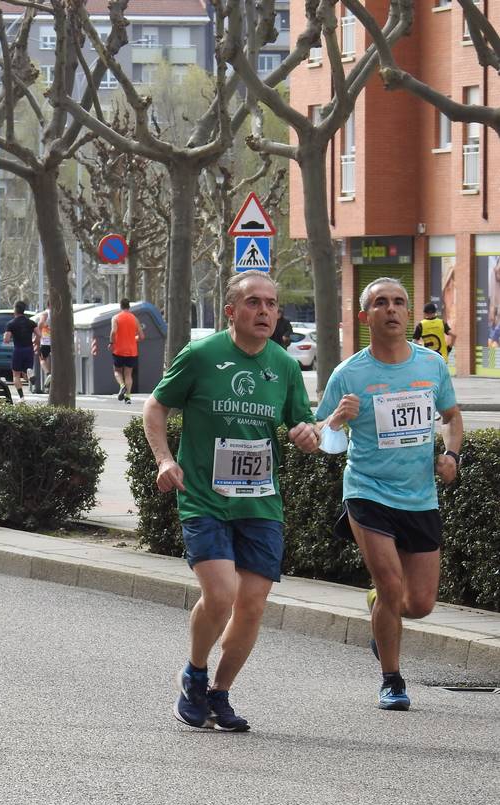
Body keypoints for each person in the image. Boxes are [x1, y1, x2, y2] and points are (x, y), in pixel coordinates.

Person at [142, 272, 320, 731]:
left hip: (261, 502)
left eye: (272, 304)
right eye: (254, 303)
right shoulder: (202, 356)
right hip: (204, 496)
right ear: (231, 311)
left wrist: (308, 434)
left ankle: (219, 693)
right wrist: (164, 460)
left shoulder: (283, 364)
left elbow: (305, 428)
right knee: (221, 594)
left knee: (253, 604)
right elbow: (156, 406)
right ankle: (195, 673)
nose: (264, 312)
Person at [316, 278, 461, 712]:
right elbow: (321, 436)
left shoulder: (432, 365)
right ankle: (392, 681)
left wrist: (452, 455)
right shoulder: (349, 374)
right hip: (367, 491)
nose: (392, 310)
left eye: (399, 302)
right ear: (366, 317)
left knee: (419, 604)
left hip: (420, 496)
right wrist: (337, 420)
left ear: (409, 314)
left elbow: (452, 417)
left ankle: (379, 607)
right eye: (381, 303)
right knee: (390, 581)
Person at [110, 299, 145, 403]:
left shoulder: (116, 318)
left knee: (117, 371)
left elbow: (113, 332)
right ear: (129, 307)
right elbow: (142, 336)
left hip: (119, 350)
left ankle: (122, 386)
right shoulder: (134, 319)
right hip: (132, 351)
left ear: (120, 306)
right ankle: (128, 397)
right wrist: (134, 339)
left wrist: (111, 342)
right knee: (128, 374)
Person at [3, 300, 39, 400]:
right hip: (29, 349)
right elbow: (39, 334)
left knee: (16, 375)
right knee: (26, 371)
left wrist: (5, 338)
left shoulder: (11, 324)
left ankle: (21, 397)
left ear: (15, 310)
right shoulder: (31, 322)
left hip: (18, 350)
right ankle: (29, 371)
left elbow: (6, 339)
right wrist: (35, 341)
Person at [35, 304, 52, 389]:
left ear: (48, 305)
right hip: (57, 342)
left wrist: (40, 330)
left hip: (46, 340)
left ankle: (48, 374)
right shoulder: (59, 313)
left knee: (42, 359)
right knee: (50, 359)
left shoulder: (46, 313)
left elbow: (41, 323)